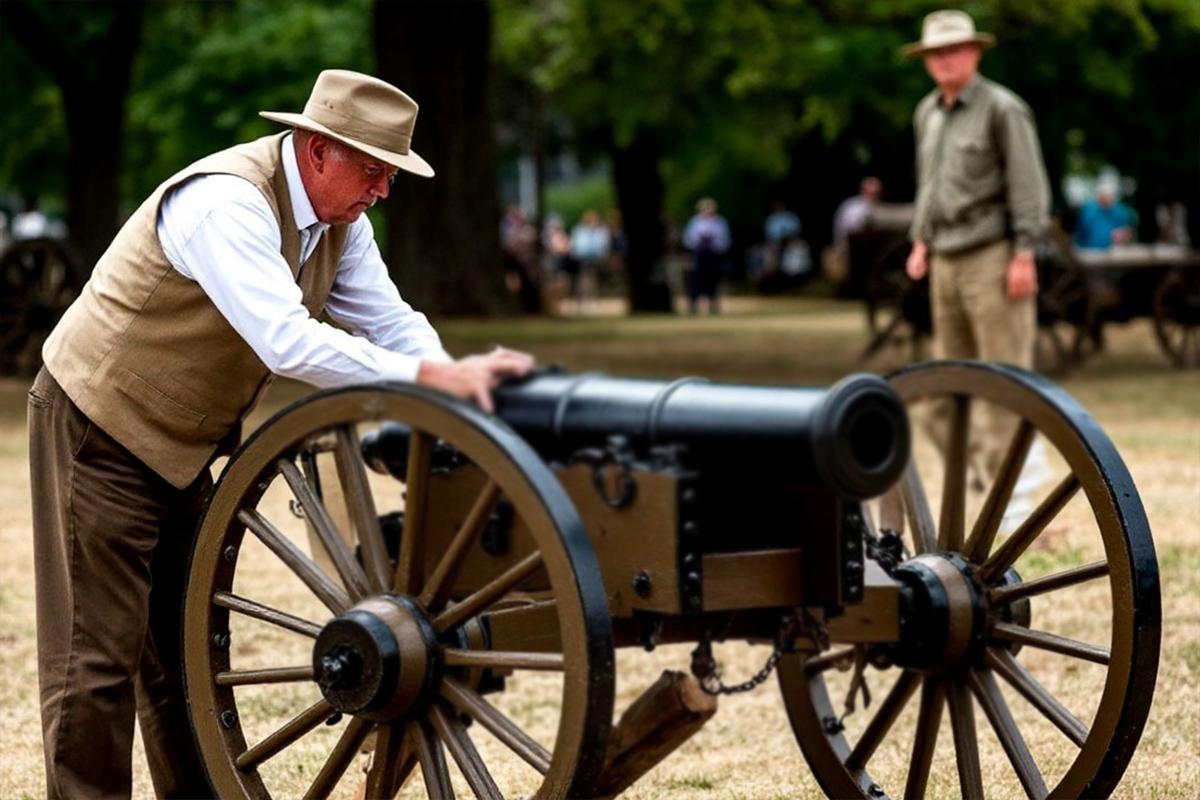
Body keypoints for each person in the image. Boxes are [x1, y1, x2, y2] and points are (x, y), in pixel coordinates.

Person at [28, 69, 534, 799]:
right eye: (373, 169)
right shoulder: (223, 202)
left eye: (391, 174)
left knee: (184, 658)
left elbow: (392, 325)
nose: (383, 191)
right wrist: (425, 382)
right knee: (94, 665)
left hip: (183, 445)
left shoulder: (341, 226)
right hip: (97, 428)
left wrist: (460, 391)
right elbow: (286, 343)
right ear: (317, 148)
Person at [901, 11, 1051, 522]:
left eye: (953, 50)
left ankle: (1018, 510)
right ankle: (975, 495)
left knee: (1004, 385)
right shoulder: (928, 112)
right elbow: (928, 183)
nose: (944, 60)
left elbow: (1028, 184)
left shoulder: (1003, 108)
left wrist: (1024, 251)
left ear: (975, 53)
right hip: (944, 258)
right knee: (948, 389)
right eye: (935, 54)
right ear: (926, 61)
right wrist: (920, 240)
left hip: (993, 255)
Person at [682, 197, 731, 313]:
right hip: (699, 255)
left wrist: (714, 243)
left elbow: (725, 240)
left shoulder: (720, 222)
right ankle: (693, 305)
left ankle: (713, 304)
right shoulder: (695, 222)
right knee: (697, 280)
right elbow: (688, 239)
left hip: (714, 255)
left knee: (713, 280)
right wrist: (699, 241)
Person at [568, 208, 610, 312]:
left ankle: (591, 300)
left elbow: (603, 245)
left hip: (595, 258)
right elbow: (577, 245)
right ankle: (582, 300)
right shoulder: (579, 230)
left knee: (592, 279)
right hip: (582, 259)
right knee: (583, 280)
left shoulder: (600, 231)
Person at [1074, 180, 1135, 249]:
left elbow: (1126, 232)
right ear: (1098, 196)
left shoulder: (1120, 211)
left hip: (1112, 251)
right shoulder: (1088, 210)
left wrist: (1123, 236)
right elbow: (1080, 231)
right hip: (1088, 250)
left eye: (1110, 195)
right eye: (1105, 195)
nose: (1108, 198)